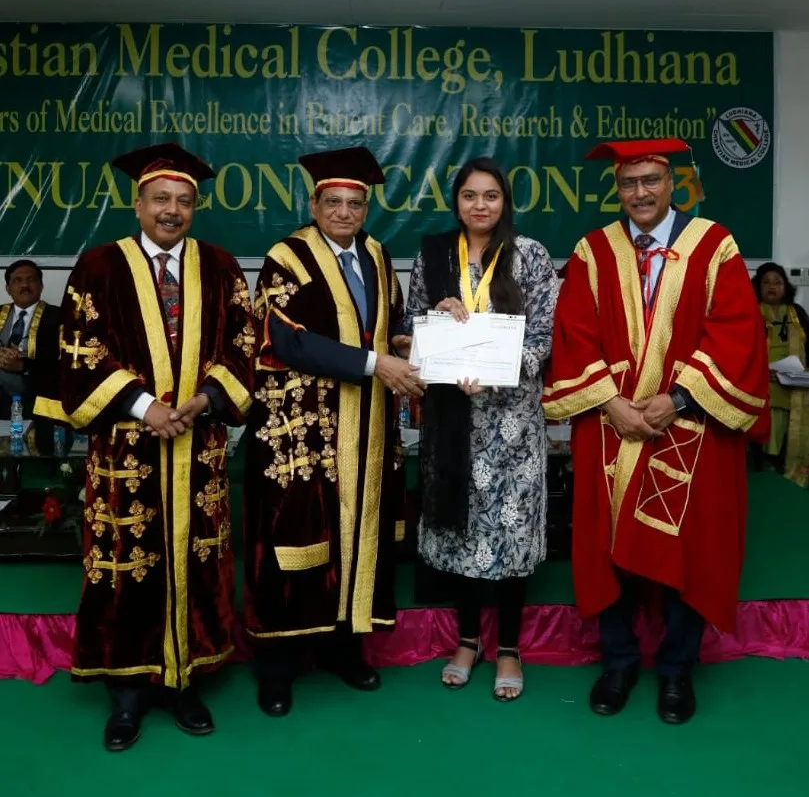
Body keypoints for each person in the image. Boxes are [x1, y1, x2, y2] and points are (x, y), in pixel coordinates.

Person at [34, 143, 254, 751]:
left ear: (196, 207)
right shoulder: (99, 266)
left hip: (197, 445)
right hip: (125, 452)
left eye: (184, 201)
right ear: (137, 203)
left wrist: (206, 398)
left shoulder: (221, 266)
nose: (172, 210)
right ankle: (127, 695)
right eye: (161, 199)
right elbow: (81, 350)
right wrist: (144, 406)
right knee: (126, 570)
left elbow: (243, 343)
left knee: (198, 564)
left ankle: (186, 681)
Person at [543, 139, 769, 725]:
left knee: (688, 546)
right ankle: (617, 662)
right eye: (628, 184)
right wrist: (613, 403)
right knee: (606, 548)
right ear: (616, 188)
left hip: (691, 427)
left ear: (675, 183)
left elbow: (737, 332)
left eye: (651, 181)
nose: (640, 193)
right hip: (611, 427)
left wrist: (680, 396)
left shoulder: (713, 245)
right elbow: (574, 333)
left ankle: (675, 670)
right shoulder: (593, 250)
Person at [243, 145, 423, 718]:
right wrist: (376, 364)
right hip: (302, 432)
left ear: (366, 207)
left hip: (368, 426)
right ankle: (277, 667)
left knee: (359, 535)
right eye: (333, 202)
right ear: (315, 203)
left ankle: (346, 649)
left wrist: (400, 346)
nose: (344, 212)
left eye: (355, 203)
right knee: (294, 542)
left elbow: (385, 326)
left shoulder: (376, 254)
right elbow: (285, 339)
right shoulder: (286, 257)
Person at [404, 156, 558, 701]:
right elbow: (410, 333)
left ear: (505, 202)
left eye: (491, 196)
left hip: (512, 426)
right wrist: (436, 323)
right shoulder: (434, 256)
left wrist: (497, 376)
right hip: (452, 420)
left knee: (509, 534)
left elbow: (544, 338)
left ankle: (510, 649)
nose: (480, 206)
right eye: (470, 196)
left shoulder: (531, 256)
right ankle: (468, 640)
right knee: (463, 531)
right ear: (457, 202)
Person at [752, 262, 809, 485]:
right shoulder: (750, 310)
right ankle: (765, 460)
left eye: (778, 282)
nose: (772, 287)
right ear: (757, 287)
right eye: (766, 282)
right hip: (760, 378)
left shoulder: (797, 312)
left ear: (786, 287)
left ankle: (786, 461)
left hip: (795, 378)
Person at [0, 260, 60, 417]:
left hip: (40, 404)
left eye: (31, 280)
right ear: (8, 288)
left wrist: (23, 366)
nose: (25, 285)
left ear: (41, 285)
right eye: (17, 281)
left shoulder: (59, 318)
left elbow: (63, 365)